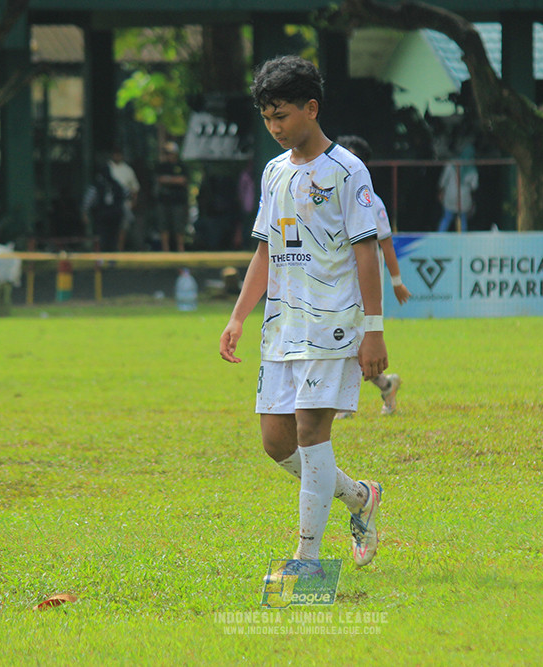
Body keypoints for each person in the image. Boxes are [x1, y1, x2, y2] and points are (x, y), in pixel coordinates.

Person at [218, 55, 387, 581]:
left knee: (313, 433)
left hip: (333, 324)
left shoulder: (347, 172)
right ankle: (360, 496)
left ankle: (307, 561)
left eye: (282, 116)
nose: (274, 127)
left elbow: (366, 254)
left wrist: (374, 330)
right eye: (267, 118)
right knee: (277, 442)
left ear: (311, 109)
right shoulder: (274, 172)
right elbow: (266, 252)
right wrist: (238, 317)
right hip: (282, 327)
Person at [334, 134, 411, 417]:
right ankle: (386, 385)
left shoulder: (370, 201)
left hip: (361, 284)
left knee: (350, 339)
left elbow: (386, 244)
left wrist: (396, 282)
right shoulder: (329, 197)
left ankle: (345, 403)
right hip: (335, 280)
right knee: (343, 340)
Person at [81, 160, 126, 252]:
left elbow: (87, 201)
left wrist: (84, 212)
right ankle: (112, 258)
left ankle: (101, 258)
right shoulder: (117, 184)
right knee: (113, 239)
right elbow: (127, 193)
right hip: (115, 217)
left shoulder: (96, 186)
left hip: (101, 217)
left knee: (100, 239)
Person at [436, 144, 479, 232]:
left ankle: (439, 235)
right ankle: (462, 237)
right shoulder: (472, 170)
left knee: (446, 218)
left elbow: (443, 181)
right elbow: (474, 187)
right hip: (464, 199)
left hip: (449, 196)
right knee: (463, 219)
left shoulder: (451, 164)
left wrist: (440, 191)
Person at [155, 142, 189, 252]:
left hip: (178, 202)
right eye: (167, 153)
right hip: (164, 201)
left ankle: (181, 250)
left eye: (171, 153)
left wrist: (168, 179)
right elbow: (160, 179)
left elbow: (183, 180)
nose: (169, 155)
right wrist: (174, 180)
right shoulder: (162, 166)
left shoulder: (182, 166)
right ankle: (165, 250)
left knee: (179, 227)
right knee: (163, 226)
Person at [108, 147, 141, 251]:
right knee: (110, 229)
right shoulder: (107, 168)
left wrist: (133, 202)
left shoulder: (127, 170)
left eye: (119, 154)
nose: (117, 156)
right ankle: (109, 250)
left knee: (123, 229)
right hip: (109, 204)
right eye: (115, 154)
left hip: (124, 204)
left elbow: (135, 188)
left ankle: (119, 250)